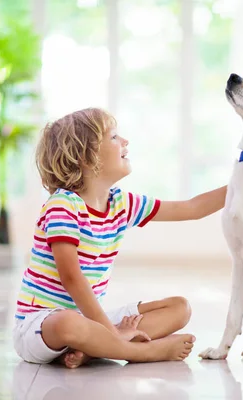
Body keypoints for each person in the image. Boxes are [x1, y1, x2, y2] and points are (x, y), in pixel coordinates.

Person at [13, 107, 227, 368]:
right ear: (86, 157)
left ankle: (92, 348)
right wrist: (113, 331)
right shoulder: (62, 205)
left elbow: (193, 208)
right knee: (69, 322)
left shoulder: (121, 203)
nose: (125, 141)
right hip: (41, 325)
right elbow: (71, 278)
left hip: (90, 320)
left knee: (180, 308)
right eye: (114, 137)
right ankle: (139, 351)